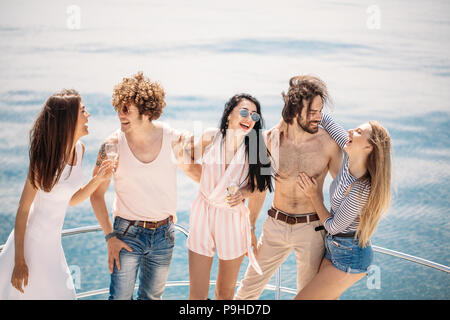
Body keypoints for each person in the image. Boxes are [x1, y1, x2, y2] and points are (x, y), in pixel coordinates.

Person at [90, 72, 200, 300]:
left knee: (152, 298)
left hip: (164, 235)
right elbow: (96, 194)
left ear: (146, 111)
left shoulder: (173, 138)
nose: (120, 115)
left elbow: (205, 156)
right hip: (127, 234)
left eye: (126, 109)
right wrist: (110, 236)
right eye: (118, 108)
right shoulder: (112, 146)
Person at [235, 76, 342, 299]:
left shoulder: (328, 144)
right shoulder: (264, 140)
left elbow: (344, 190)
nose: (318, 117)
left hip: (312, 229)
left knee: (308, 296)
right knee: (245, 293)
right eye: (312, 112)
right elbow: (259, 187)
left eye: (320, 111)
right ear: (294, 110)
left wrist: (340, 232)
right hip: (275, 226)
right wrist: (251, 227)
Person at [0, 89, 114, 299]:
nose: (88, 115)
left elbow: (70, 200)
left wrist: (98, 180)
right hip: (29, 247)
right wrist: (19, 261)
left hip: (52, 246)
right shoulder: (44, 159)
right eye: (83, 110)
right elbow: (23, 209)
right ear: (69, 118)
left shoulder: (79, 150)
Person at [294, 112, 391, 299]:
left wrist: (314, 196)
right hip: (334, 248)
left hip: (351, 255)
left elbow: (332, 226)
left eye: (358, 131)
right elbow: (328, 121)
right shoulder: (349, 156)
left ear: (368, 147)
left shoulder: (362, 189)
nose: (350, 131)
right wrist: (305, 108)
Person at [187, 93, 273, 300]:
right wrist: (211, 185)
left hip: (234, 218)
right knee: (197, 294)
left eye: (254, 115)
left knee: (225, 293)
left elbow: (259, 188)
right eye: (244, 112)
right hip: (203, 212)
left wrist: (243, 196)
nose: (249, 118)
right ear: (228, 115)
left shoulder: (257, 146)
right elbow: (188, 161)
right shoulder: (210, 137)